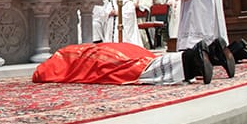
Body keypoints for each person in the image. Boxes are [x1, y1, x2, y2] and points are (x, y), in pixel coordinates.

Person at [33, 40, 218, 85]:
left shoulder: (59, 58)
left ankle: (192, 60)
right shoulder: (70, 51)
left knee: (133, 69)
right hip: (112, 49)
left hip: (97, 57)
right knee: (143, 61)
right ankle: (216, 52)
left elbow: (40, 74)